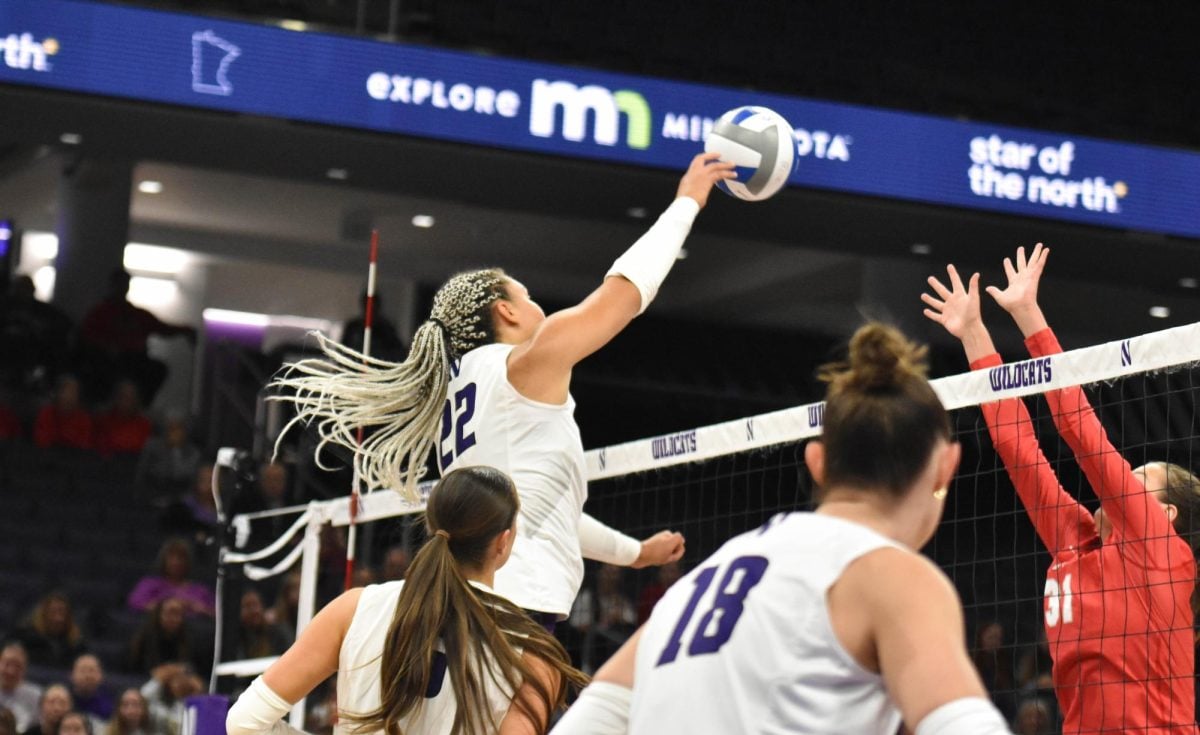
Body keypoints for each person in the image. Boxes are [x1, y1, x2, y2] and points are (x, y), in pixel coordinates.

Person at [273, 153, 735, 623]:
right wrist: (686, 203)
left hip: (478, 600)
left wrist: (635, 553)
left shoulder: (462, 390)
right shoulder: (522, 367)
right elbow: (621, 297)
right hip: (514, 602)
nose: (535, 303)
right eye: (527, 296)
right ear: (507, 313)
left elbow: (545, 513)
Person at [553, 323, 1011, 734]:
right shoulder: (891, 575)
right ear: (946, 468)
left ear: (817, 462)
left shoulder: (706, 578)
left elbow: (592, 716)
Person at [922, 243, 1200, 734]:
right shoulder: (1074, 543)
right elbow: (1018, 448)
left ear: (1168, 515)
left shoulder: (1161, 549)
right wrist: (975, 335)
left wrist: (1031, 319)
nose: (1124, 482)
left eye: (1141, 480)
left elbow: (1082, 432)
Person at [226, 466, 588, 735]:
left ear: (431, 525)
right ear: (503, 542)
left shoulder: (353, 608)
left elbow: (244, 723)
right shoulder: (535, 652)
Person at [77, 269, 196, 405]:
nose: (122, 288)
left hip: (135, 361)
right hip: (107, 361)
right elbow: (87, 336)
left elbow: (163, 328)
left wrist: (186, 330)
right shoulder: (100, 313)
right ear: (112, 285)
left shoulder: (136, 314)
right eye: (118, 284)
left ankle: (139, 405)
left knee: (157, 369)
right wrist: (106, 348)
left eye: (124, 284)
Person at [126, 539, 215, 617]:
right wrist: (167, 605)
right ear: (163, 560)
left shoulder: (200, 590)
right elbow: (134, 604)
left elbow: (217, 614)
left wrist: (198, 608)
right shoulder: (149, 584)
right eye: (171, 557)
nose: (176, 562)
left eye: (181, 558)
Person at [13, 592, 89, 669]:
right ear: (43, 614)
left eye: (62, 613)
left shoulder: (76, 643)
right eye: (53, 612)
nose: (58, 618)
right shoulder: (25, 636)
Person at [94, 380, 153, 457]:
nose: (125, 401)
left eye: (130, 397)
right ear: (115, 397)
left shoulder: (144, 425)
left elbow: (145, 451)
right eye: (122, 396)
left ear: (136, 400)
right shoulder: (102, 420)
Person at [33, 375, 92, 450]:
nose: (69, 397)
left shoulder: (84, 418)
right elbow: (41, 442)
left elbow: (83, 446)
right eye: (65, 391)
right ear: (57, 393)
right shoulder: (46, 414)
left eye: (73, 392)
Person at [0, 643, 42, 732]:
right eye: (7, 664)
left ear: (24, 670)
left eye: (17, 666)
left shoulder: (36, 697)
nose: (11, 671)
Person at [68, 655, 114, 723]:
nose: (87, 676)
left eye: (92, 670)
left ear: (101, 676)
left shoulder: (110, 706)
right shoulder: (62, 703)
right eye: (82, 671)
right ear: (71, 675)